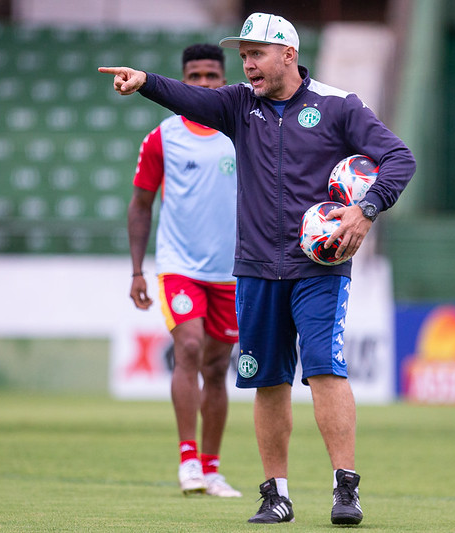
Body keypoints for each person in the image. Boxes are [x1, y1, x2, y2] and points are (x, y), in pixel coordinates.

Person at [101, 12, 416, 525]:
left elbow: (399, 158)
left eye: (256, 54)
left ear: (288, 55)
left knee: (323, 370)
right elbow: (190, 99)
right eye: (242, 55)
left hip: (318, 267)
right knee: (267, 380)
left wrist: (366, 209)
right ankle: (276, 494)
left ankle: (345, 489)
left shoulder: (338, 105)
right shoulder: (238, 105)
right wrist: (144, 83)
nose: (246, 64)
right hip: (253, 269)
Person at [126, 43, 242, 498]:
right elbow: (140, 204)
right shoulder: (163, 137)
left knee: (217, 369)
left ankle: (212, 469)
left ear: (224, 79)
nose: (204, 84)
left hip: (233, 272)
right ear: (182, 80)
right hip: (179, 266)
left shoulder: (240, 131)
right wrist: (137, 271)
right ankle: (188, 459)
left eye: (212, 76)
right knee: (189, 347)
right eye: (194, 77)